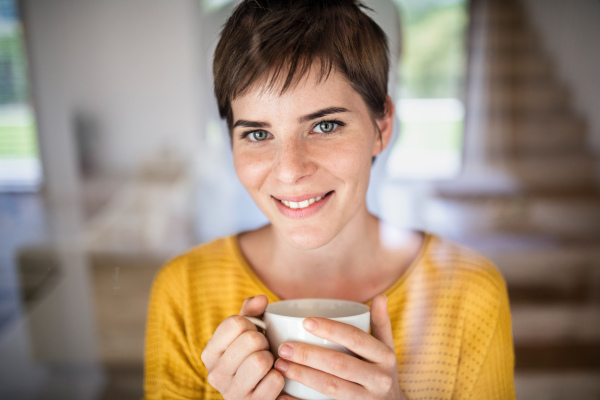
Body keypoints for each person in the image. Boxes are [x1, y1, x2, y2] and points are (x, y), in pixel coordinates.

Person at [143, 1, 516, 399]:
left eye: (325, 125)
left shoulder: (470, 293)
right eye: (257, 133)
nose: (289, 171)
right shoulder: (182, 292)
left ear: (381, 127)